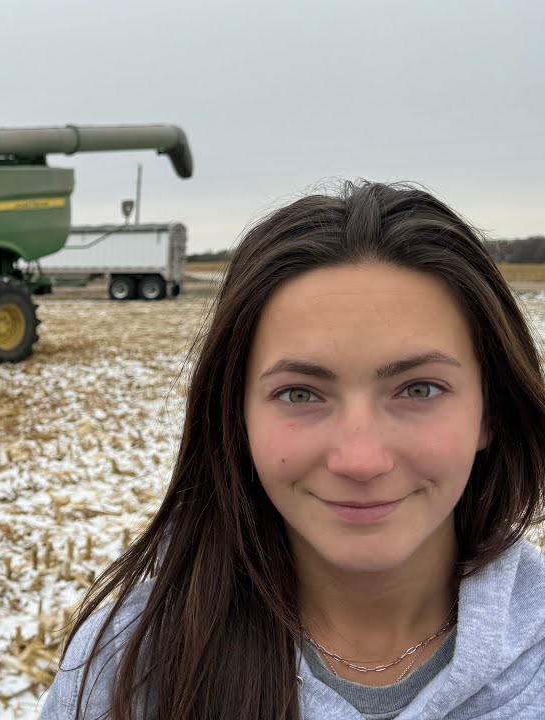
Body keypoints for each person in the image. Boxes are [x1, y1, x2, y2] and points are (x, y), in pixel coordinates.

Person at [39, 180, 545, 719]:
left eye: (419, 389)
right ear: (237, 418)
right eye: (300, 394)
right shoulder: (130, 666)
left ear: (491, 411)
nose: (360, 460)